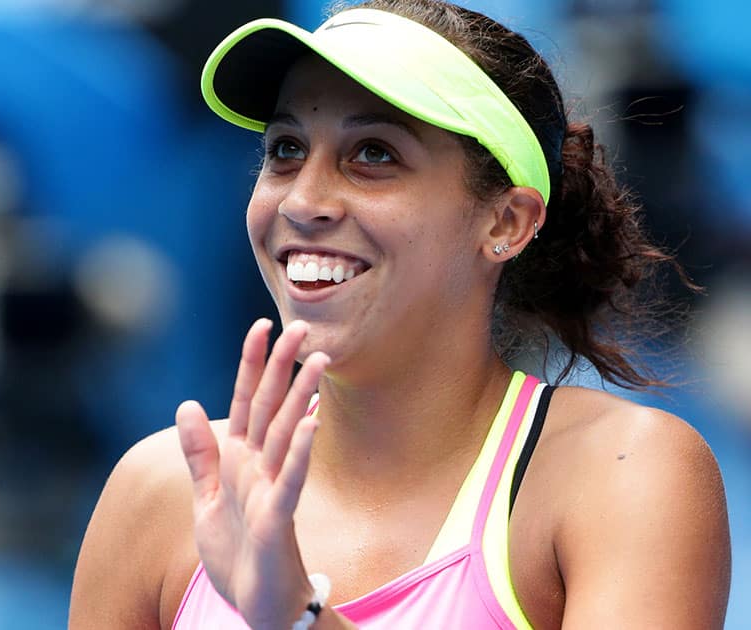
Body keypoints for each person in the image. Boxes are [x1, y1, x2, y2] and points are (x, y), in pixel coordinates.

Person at [68, 1, 732, 628]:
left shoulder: (624, 472)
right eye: (286, 151)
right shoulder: (158, 493)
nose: (303, 201)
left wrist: (298, 614)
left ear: (506, 220)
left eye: (373, 155)